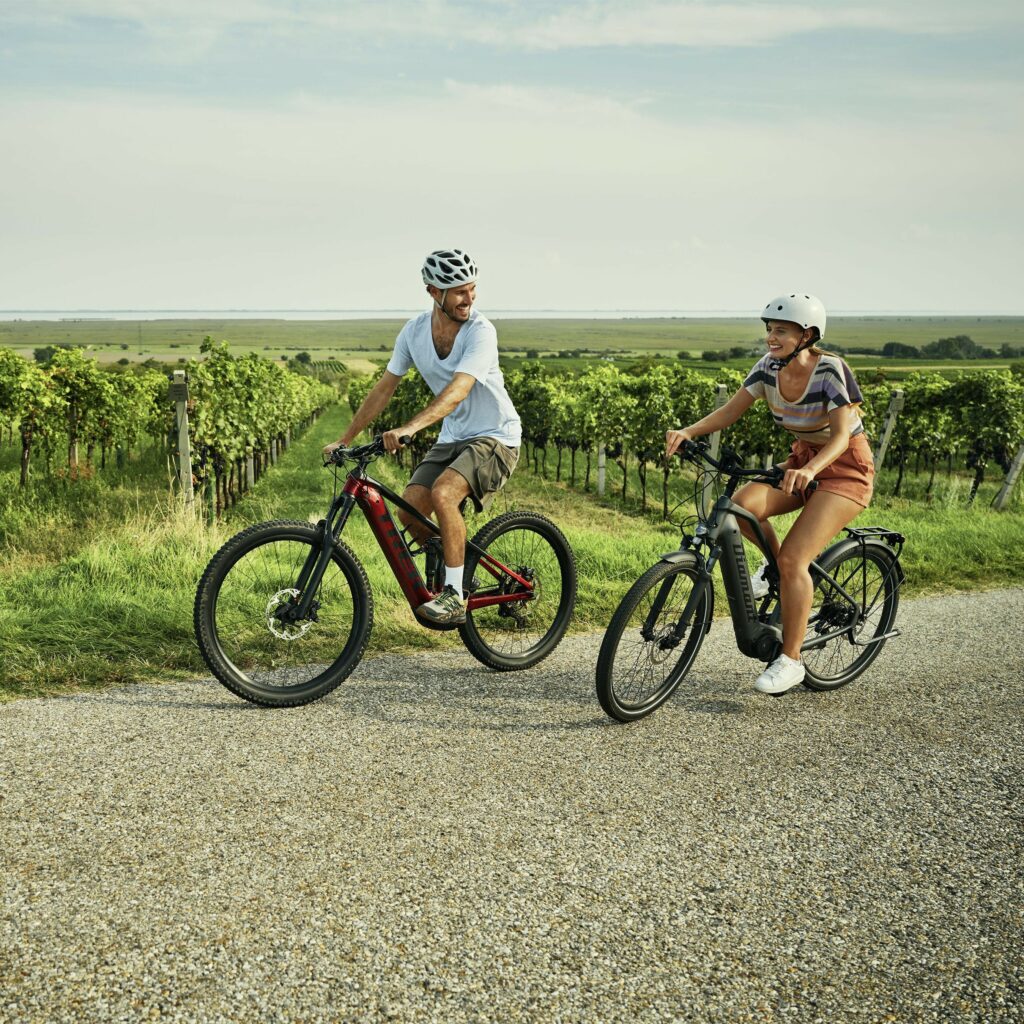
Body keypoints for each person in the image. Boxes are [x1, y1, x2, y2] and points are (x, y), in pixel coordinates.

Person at [665, 293, 874, 696]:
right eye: (768, 330)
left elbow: (842, 436)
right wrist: (690, 430)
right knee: (741, 507)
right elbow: (731, 410)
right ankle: (777, 573)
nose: (770, 338)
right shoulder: (767, 369)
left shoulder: (831, 370)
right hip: (801, 462)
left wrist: (812, 469)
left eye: (781, 330)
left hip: (844, 470)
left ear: (807, 335)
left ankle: (791, 660)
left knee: (797, 557)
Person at [323, 249, 521, 625]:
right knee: (408, 510)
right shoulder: (414, 332)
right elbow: (384, 388)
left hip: (495, 436)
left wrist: (410, 427)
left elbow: (459, 389)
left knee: (443, 493)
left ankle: (453, 594)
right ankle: (456, 569)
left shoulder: (481, 331)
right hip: (455, 436)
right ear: (434, 292)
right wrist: (345, 438)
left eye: (472, 289)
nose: (469, 299)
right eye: (459, 292)